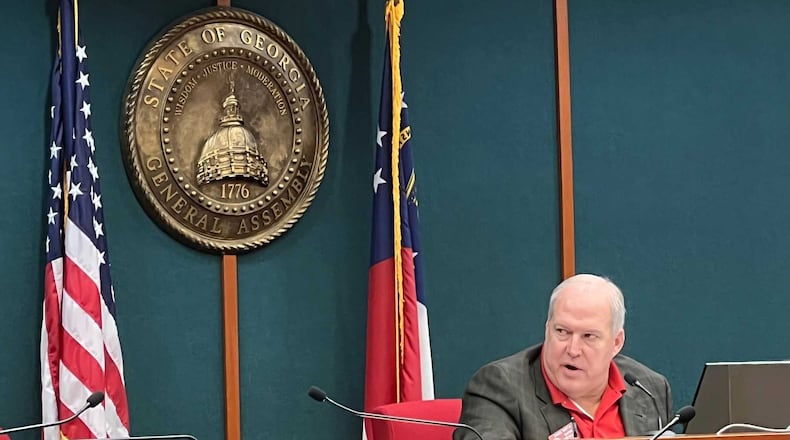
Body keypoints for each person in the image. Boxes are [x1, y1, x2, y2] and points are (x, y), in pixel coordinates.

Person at [455, 274, 672, 440]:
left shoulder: (649, 389)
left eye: (588, 336)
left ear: (616, 342)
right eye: (562, 332)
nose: (573, 349)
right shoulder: (499, 387)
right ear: (547, 328)